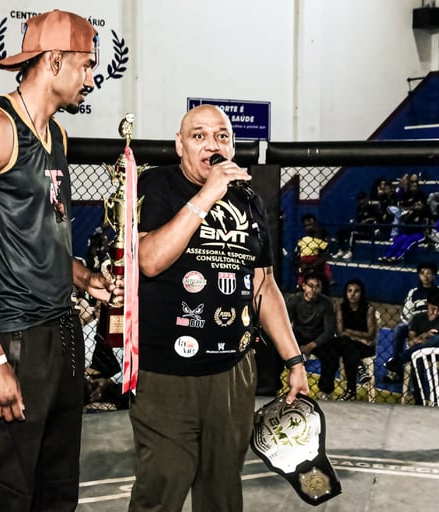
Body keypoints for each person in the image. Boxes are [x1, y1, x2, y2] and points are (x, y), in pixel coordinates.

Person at [0, 10, 117, 511]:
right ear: (55, 60)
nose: (91, 79)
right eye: (86, 65)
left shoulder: (57, 136)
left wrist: (83, 277)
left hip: (62, 331)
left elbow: (42, 234)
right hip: (13, 336)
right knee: (3, 493)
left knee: (57, 490)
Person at [129, 104, 309, 512]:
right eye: (199, 136)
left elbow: (264, 285)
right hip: (167, 371)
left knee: (223, 490)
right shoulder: (157, 184)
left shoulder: (249, 199)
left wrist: (294, 360)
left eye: (222, 136)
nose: (212, 145)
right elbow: (149, 260)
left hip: (233, 371)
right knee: (163, 484)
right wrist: (208, 194)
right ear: (180, 145)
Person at [383, 261, 439, 382]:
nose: (425, 276)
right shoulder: (413, 293)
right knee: (400, 329)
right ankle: (397, 372)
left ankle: (399, 361)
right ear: (419, 275)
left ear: (434, 275)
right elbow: (406, 315)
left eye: (429, 273)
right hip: (416, 327)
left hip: (436, 329)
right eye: (422, 273)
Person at [286, 272, 339, 400]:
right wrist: (292, 344)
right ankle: (277, 385)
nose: (313, 290)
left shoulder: (326, 303)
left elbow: (329, 331)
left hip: (318, 338)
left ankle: (326, 390)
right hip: (298, 335)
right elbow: (286, 324)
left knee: (331, 357)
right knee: (277, 351)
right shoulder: (294, 300)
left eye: (317, 286)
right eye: (310, 286)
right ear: (304, 286)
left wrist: (311, 346)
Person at [384, 287, 439, 382]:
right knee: (403, 331)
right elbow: (411, 343)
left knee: (438, 339)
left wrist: (423, 340)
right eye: (433, 308)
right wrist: (425, 335)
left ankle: (399, 360)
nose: (435, 312)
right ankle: (400, 366)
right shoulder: (418, 318)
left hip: (437, 353)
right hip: (416, 351)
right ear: (426, 304)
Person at [333, 278, 378, 401]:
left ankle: (351, 391)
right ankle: (360, 369)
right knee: (346, 344)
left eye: (356, 291)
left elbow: (370, 335)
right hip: (349, 344)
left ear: (362, 293)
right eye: (349, 291)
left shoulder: (369, 309)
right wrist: (359, 337)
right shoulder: (340, 307)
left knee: (347, 349)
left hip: (364, 347)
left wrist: (350, 333)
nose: (352, 294)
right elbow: (340, 332)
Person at [377, 195, 430, 263]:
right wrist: (409, 212)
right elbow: (404, 220)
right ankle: (387, 256)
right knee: (398, 240)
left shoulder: (425, 213)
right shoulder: (412, 213)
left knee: (407, 242)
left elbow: (425, 225)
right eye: (415, 204)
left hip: (419, 234)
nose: (416, 206)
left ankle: (397, 257)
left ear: (423, 205)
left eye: (418, 204)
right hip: (408, 233)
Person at [295, 213, 332, 289]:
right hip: (305, 267)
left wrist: (312, 266)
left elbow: (325, 255)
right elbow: (296, 256)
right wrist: (301, 265)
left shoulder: (321, 238)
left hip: (318, 268)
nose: (309, 227)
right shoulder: (302, 240)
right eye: (306, 225)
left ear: (315, 224)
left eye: (311, 224)